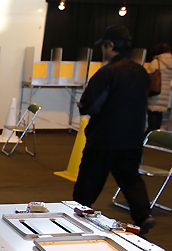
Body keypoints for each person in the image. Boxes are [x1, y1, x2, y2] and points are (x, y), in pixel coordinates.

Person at [73, 25, 156, 234]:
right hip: (133, 137)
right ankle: (144, 215)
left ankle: (79, 214)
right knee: (130, 178)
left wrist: (82, 105)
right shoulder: (141, 72)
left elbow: (91, 104)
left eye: (104, 46)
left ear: (110, 45)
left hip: (105, 136)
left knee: (90, 179)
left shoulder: (107, 72)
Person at [146, 43, 172, 134]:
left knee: (152, 121)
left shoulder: (156, 62)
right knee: (158, 119)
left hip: (155, 93)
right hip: (165, 94)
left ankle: (146, 138)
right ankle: (156, 137)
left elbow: (148, 76)